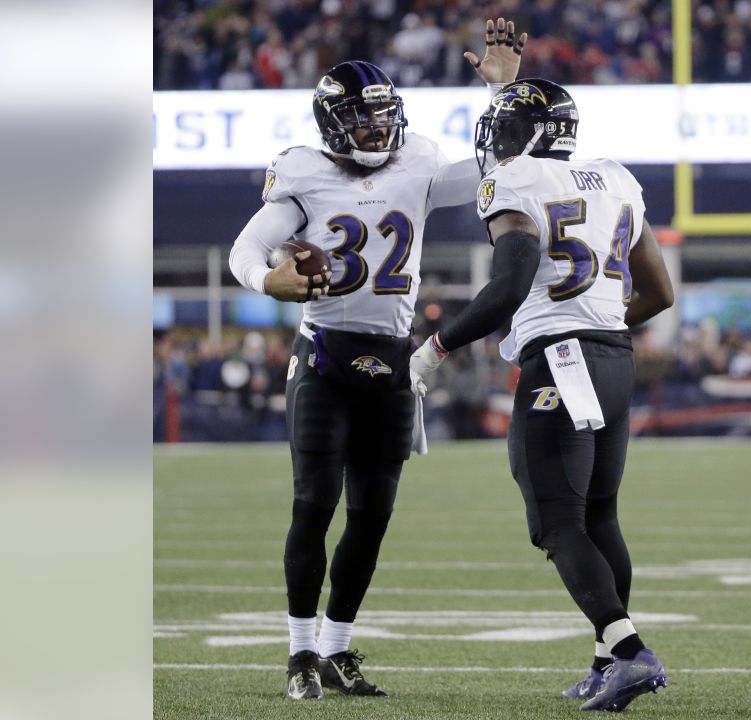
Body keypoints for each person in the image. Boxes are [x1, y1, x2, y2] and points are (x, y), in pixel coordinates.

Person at [227, 18, 527, 701]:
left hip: (391, 361)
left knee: (373, 514)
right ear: (333, 124)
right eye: (363, 121)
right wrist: (266, 280)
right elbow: (246, 250)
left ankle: (336, 647)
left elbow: (497, 163)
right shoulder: (301, 171)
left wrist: (502, 96)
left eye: (383, 119)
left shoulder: (418, 162)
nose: (376, 131)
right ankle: (300, 651)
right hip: (326, 355)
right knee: (313, 502)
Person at [407, 78, 675, 712]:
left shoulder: (513, 181)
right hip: (613, 355)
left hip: (560, 360)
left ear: (524, 136)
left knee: (556, 522)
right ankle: (607, 663)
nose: (493, 144)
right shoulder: (613, 175)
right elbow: (660, 293)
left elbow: (510, 283)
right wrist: (597, 320)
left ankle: (630, 651)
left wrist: (433, 349)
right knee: (598, 515)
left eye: (501, 130)